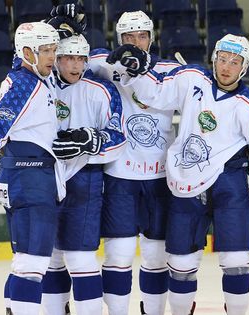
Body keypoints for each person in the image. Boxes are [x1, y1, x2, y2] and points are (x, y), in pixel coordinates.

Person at [106, 34, 249, 315]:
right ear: (214, 58)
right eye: (222, 59)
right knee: (181, 264)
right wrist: (139, 68)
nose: (226, 67)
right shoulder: (192, 77)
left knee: (236, 260)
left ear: (244, 67)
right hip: (185, 179)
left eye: (234, 62)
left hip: (230, 181)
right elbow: (155, 92)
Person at [0, 22, 66, 315]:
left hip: (25, 176)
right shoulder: (25, 83)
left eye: (53, 50)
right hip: (30, 178)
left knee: (24, 261)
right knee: (32, 264)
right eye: (45, 51)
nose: (52, 57)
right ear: (26, 52)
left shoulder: (31, 76)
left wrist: (56, 24)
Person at [88, 11, 180, 315]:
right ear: (119, 40)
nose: (136, 43)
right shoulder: (105, 66)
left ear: (151, 39)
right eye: (128, 37)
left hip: (160, 177)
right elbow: (75, 58)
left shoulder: (170, 71)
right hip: (119, 176)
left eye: (142, 36)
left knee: (155, 256)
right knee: (119, 253)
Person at [40, 34, 127, 315]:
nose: (75, 65)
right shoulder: (41, 85)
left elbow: (118, 137)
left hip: (85, 179)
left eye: (80, 58)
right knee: (49, 258)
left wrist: (92, 141)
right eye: (68, 58)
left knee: (80, 258)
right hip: (44, 178)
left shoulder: (101, 90)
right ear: (56, 59)